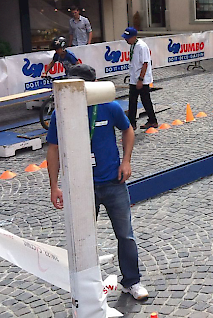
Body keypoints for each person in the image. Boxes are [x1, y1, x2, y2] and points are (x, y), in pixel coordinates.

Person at [46, 64, 149, 301]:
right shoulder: (60, 112)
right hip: (80, 186)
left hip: (113, 182)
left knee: (125, 234)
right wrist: (54, 186)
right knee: (81, 239)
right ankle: (85, 289)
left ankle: (132, 282)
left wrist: (126, 161)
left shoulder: (109, 106)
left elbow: (128, 130)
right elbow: (53, 149)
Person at [122, 27, 158, 130]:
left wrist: (140, 80)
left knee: (145, 100)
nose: (126, 40)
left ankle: (152, 120)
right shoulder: (133, 45)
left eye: (128, 38)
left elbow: (145, 63)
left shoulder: (142, 46)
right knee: (132, 101)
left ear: (134, 37)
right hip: (134, 78)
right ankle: (132, 122)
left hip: (142, 79)